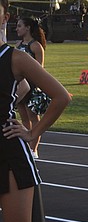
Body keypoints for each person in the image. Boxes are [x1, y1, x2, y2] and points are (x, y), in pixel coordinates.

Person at [1, 0, 72, 222]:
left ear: (3, 16)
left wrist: (32, 133)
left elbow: (61, 96)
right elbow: (24, 93)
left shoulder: (14, 58)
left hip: (8, 154)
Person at [15, 18, 48, 157]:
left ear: (27, 28)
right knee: (24, 119)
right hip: (21, 86)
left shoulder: (35, 46)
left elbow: (40, 70)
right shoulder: (18, 45)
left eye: (19, 26)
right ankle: (26, 146)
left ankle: (34, 149)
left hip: (32, 87)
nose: (16, 29)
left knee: (34, 118)